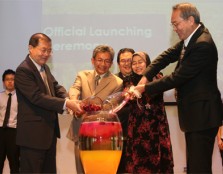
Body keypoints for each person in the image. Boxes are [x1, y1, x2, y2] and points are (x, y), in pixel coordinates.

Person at [134, 3, 223, 173]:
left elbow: (178, 77)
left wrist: (144, 88)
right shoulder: (191, 38)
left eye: (176, 23)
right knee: (196, 167)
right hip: (196, 115)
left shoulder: (202, 44)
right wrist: (146, 75)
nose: (174, 28)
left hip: (203, 115)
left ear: (190, 20)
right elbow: (166, 57)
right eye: (172, 24)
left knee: (199, 168)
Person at [15, 33, 81, 173]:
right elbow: (37, 97)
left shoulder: (44, 68)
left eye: (49, 50)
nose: (46, 54)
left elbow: (56, 87)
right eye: (43, 50)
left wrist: (69, 98)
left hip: (48, 134)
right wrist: (66, 104)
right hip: (32, 136)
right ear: (30, 48)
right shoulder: (23, 70)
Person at [66, 44, 123, 174]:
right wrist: (74, 101)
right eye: (99, 60)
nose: (103, 64)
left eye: (107, 61)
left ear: (111, 63)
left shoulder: (117, 82)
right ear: (93, 60)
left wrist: (92, 107)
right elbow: (74, 89)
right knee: (81, 169)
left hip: (102, 134)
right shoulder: (82, 75)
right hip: (80, 129)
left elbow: (110, 107)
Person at [123, 51, 173, 173]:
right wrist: (127, 95)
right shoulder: (128, 81)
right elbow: (127, 102)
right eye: (133, 63)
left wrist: (141, 89)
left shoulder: (157, 78)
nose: (137, 65)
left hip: (156, 130)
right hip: (136, 131)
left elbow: (152, 95)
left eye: (140, 62)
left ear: (148, 64)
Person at [115, 48, 135, 173]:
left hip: (138, 134)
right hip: (118, 134)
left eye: (130, 60)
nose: (127, 63)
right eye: (123, 61)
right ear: (118, 64)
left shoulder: (142, 80)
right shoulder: (112, 81)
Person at [0, 69, 20, 173]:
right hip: (0, 132)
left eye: (12, 79)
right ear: (3, 82)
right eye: (7, 79)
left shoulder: (21, 98)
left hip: (14, 133)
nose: (10, 81)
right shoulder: (0, 96)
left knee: (15, 163)